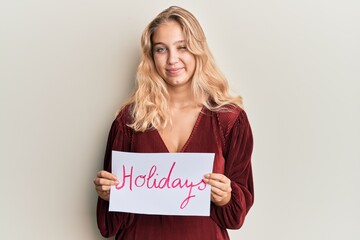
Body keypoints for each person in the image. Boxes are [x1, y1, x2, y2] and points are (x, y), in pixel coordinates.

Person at [93, 6, 254, 240]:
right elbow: (108, 227)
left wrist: (226, 196)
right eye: (161, 49)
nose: (172, 59)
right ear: (151, 56)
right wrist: (108, 194)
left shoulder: (229, 119)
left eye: (182, 47)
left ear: (198, 50)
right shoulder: (129, 120)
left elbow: (236, 217)